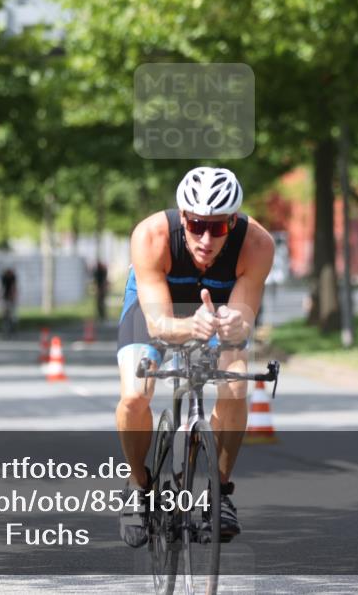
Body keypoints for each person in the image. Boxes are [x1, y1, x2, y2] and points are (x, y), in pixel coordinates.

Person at [116, 167, 274, 547]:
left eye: (218, 228)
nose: (206, 238)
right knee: (136, 395)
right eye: (197, 225)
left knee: (236, 384)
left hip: (216, 312)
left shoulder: (257, 244)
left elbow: (244, 317)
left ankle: (220, 493)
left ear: (233, 222)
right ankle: (139, 486)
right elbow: (157, 324)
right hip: (155, 309)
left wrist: (237, 325)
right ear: (183, 217)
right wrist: (190, 326)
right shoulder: (151, 236)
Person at [0, 267, 18, 333]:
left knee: (13, 313)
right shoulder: (4, 278)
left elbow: (14, 287)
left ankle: (13, 325)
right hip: (5, 297)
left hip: (11, 298)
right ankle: (5, 325)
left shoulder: (13, 278)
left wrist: (13, 295)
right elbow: (3, 288)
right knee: (5, 312)